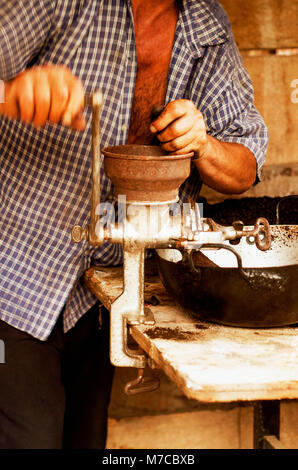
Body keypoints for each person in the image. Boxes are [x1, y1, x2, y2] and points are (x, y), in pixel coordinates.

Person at [0, 0, 268, 449]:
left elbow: (244, 167)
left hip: (105, 294)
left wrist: (202, 143)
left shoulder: (206, 23)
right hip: (15, 278)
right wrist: (11, 95)